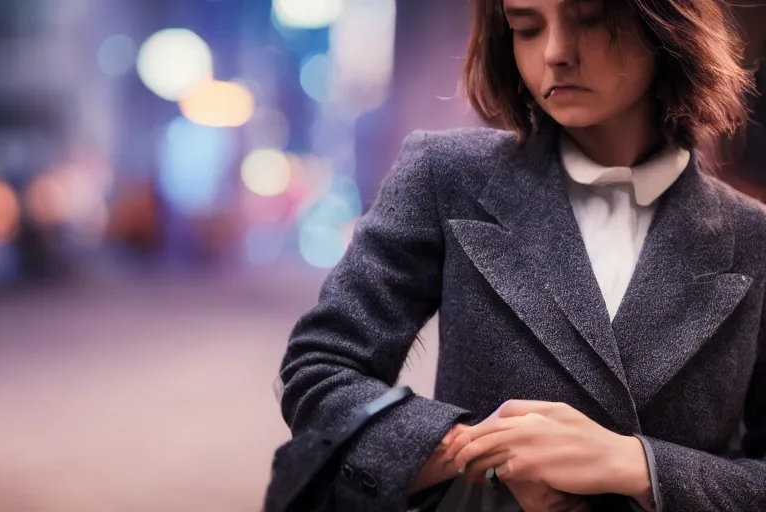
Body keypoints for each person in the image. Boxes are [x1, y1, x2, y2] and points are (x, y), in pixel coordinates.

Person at [274, 0, 766, 510]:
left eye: (591, 19)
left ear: (664, 22)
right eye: (525, 28)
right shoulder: (448, 177)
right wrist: (475, 454)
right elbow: (320, 369)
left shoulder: (753, 240)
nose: (554, 52)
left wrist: (640, 467)